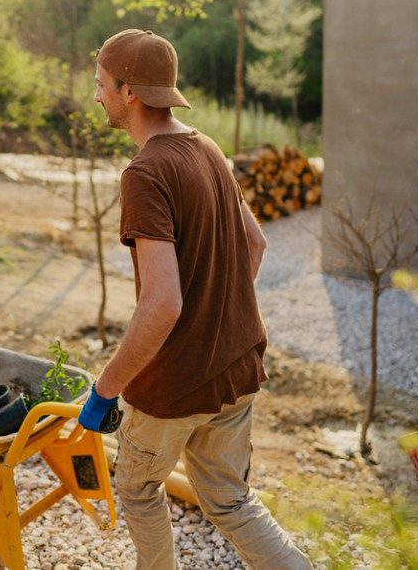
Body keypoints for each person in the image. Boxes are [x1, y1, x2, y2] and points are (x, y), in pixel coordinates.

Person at [76, 29, 312, 570]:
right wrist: (216, 321)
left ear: (129, 90)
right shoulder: (206, 147)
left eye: (101, 85)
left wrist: (106, 389)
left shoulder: (145, 173)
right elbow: (255, 242)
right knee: (230, 500)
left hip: (175, 385)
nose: (97, 96)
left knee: (137, 491)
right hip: (236, 368)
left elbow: (162, 305)